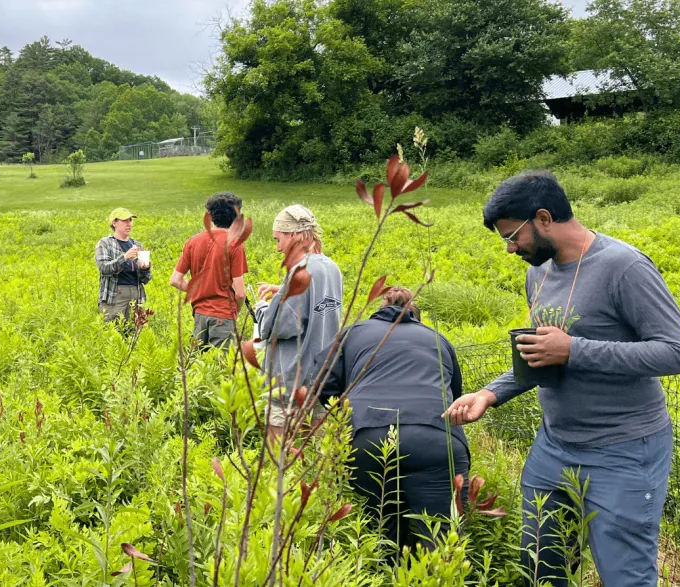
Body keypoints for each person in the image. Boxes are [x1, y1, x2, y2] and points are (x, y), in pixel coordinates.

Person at [443, 171, 680, 587]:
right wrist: (491, 393)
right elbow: (544, 356)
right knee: (542, 569)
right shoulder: (538, 273)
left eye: (513, 236)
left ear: (543, 218)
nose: (509, 249)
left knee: (625, 578)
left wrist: (574, 349)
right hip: (554, 448)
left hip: (624, 451)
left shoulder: (624, 267)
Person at [302, 287, 469, 554]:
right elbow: (456, 396)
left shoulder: (354, 332)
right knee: (442, 540)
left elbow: (322, 382)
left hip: (368, 434)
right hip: (436, 438)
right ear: (417, 316)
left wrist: (349, 412)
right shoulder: (438, 338)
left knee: (378, 534)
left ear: (379, 310)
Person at [254, 204, 343, 442]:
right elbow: (316, 306)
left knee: (280, 458)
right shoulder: (331, 267)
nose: (277, 247)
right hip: (324, 377)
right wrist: (282, 290)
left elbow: (275, 328)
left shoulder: (299, 270)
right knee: (317, 458)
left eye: (279, 239)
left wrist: (263, 309)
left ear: (293, 235)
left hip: (291, 379)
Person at [171, 193, 249, 350]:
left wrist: (199, 291)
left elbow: (175, 280)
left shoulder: (193, 241)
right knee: (221, 369)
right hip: (223, 315)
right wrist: (236, 311)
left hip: (200, 315)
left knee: (200, 368)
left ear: (211, 216)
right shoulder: (234, 244)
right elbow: (240, 293)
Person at [95, 207, 151, 332]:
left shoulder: (137, 245)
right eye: (124, 220)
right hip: (114, 297)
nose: (129, 224)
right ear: (114, 223)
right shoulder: (105, 243)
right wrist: (124, 257)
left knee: (135, 336)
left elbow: (145, 279)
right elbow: (104, 268)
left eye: (130, 220)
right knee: (113, 335)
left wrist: (145, 268)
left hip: (137, 296)